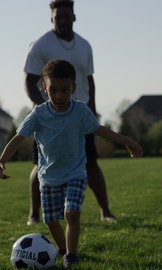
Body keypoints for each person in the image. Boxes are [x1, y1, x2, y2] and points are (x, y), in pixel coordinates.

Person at [0, 59, 143, 268]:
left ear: (74, 88)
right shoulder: (39, 114)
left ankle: (71, 256)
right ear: (44, 88)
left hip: (75, 173)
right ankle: (63, 249)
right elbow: (19, 137)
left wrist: (127, 141)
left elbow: (100, 129)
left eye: (65, 90)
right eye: (53, 90)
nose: (59, 96)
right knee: (51, 221)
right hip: (47, 177)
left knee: (71, 213)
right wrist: (2, 160)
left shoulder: (81, 111)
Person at [23, 0, 116, 224]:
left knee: (91, 163)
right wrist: (43, 109)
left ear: (74, 16)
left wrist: (91, 107)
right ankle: (34, 215)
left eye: (67, 16)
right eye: (58, 17)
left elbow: (89, 79)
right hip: (50, 119)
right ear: (52, 18)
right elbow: (29, 80)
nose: (63, 20)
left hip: (78, 116)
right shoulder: (40, 45)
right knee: (41, 165)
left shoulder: (85, 45)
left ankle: (105, 211)